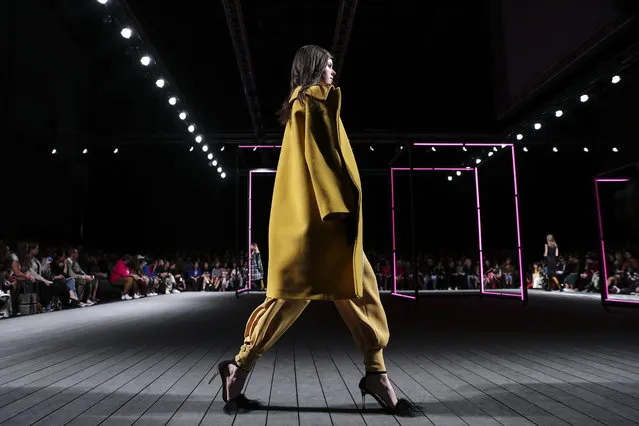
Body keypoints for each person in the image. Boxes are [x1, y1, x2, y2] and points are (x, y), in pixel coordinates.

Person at [212, 45, 417, 416]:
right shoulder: (313, 99)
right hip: (323, 222)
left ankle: (377, 373)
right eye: (329, 66)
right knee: (302, 296)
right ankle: (238, 368)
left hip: (316, 220)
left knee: (356, 290)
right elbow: (321, 157)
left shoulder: (304, 103)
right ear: (314, 68)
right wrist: (337, 209)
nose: (334, 73)